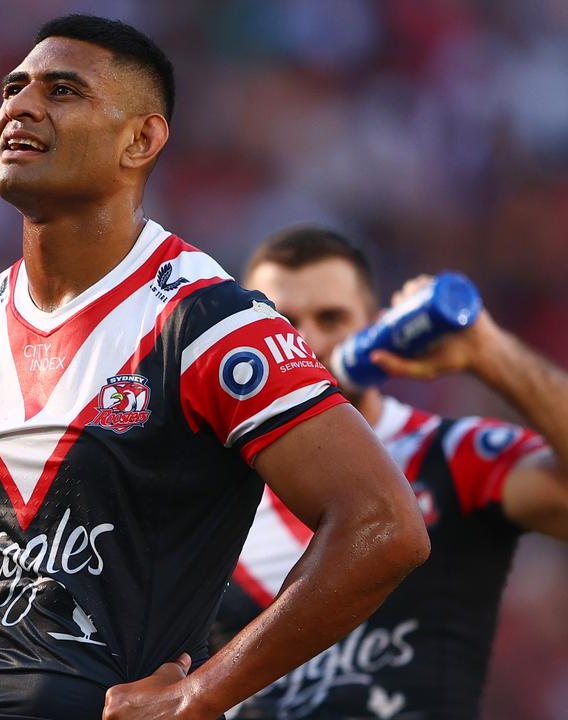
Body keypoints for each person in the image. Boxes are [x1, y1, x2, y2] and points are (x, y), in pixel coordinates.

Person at [0, 14, 431, 720]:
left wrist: (204, 692)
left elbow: (384, 525)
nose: (20, 106)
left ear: (140, 140)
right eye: (13, 87)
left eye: (62, 91)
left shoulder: (206, 324)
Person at [214, 227, 568, 720]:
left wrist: (492, 354)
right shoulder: (206, 489)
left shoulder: (451, 455)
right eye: (282, 321)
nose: (307, 340)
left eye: (332, 318)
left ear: (377, 327)